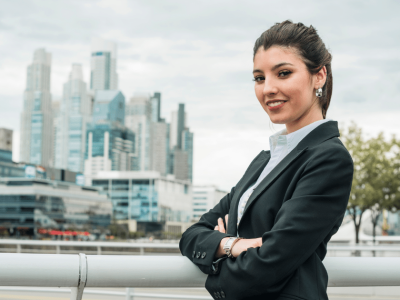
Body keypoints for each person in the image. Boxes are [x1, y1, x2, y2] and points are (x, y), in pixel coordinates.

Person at [179, 20, 354, 300]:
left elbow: (267, 264)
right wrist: (233, 245)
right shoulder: (264, 161)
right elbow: (191, 235)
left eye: (283, 73)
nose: (267, 89)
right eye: (259, 78)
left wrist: (218, 262)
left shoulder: (329, 158)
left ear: (319, 76)